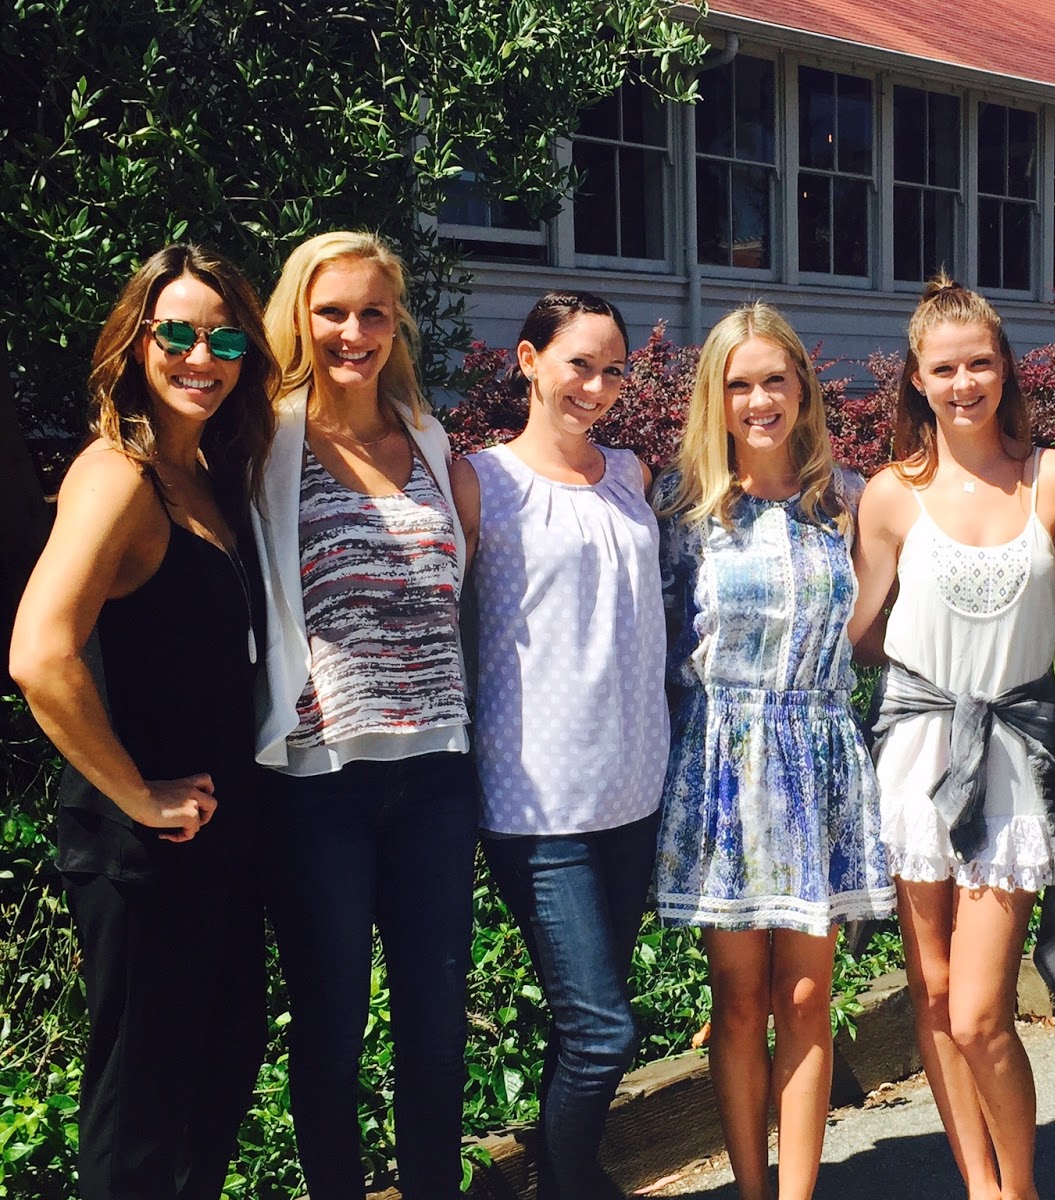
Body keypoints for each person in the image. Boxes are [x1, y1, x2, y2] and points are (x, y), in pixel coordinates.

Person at [10, 244, 277, 1200]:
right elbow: (40, 652)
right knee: (142, 1110)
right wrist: (137, 795)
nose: (202, 357)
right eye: (177, 334)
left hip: (218, 837)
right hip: (143, 851)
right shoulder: (118, 474)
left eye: (226, 339)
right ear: (135, 343)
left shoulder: (205, 471)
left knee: (217, 1079)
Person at [654, 302, 896, 1200]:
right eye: (739, 384)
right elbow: (651, 647)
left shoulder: (848, 501)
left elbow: (887, 628)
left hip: (818, 756)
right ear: (715, 399)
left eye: (774, 380)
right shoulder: (682, 508)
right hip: (724, 765)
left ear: (802, 388)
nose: (759, 400)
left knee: (804, 997)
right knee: (740, 999)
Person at [255, 231, 476, 1198]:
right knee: (332, 1022)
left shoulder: (427, 437)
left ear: (397, 324)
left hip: (437, 772)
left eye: (373, 312)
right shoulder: (265, 442)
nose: (353, 332)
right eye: (332, 312)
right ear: (299, 319)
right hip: (322, 778)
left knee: (436, 1020)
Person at [850, 277, 1055, 1200]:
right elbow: (861, 631)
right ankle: (979, 1183)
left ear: (1005, 367)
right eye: (943, 369)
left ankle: (1020, 1188)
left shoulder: (1053, 477)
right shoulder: (890, 495)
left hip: (1014, 758)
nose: (964, 383)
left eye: (979, 363)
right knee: (935, 992)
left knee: (982, 1011)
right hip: (917, 758)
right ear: (916, 378)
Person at [448, 290, 669, 1200]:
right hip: (536, 802)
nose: (599, 386)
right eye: (580, 363)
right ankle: (575, 1185)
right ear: (529, 360)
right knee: (603, 1030)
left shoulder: (632, 474)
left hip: (635, 789)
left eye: (614, 370)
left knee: (588, 1022)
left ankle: (569, 1177)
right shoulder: (478, 481)